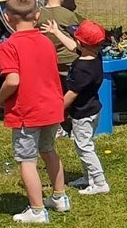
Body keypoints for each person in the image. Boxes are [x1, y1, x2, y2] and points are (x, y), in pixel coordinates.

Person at [0, 0, 67, 224]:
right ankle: (60, 197)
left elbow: (13, 80)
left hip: (27, 110)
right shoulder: (47, 41)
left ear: (7, 18)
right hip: (52, 106)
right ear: (37, 16)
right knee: (49, 150)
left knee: (27, 160)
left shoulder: (8, 46)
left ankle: (37, 210)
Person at [41, 18, 109, 195]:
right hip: (93, 109)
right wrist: (56, 32)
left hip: (83, 113)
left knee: (84, 147)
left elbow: (71, 94)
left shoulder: (82, 69)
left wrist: (56, 112)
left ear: (82, 43)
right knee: (84, 144)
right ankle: (88, 177)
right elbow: (74, 47)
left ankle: (100, 182)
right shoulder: (94, 56)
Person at [34, 0, 80, 70]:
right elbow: (78, 37)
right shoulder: (69, 15)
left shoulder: (37, 14)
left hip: (46, 60)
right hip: (68, 60)